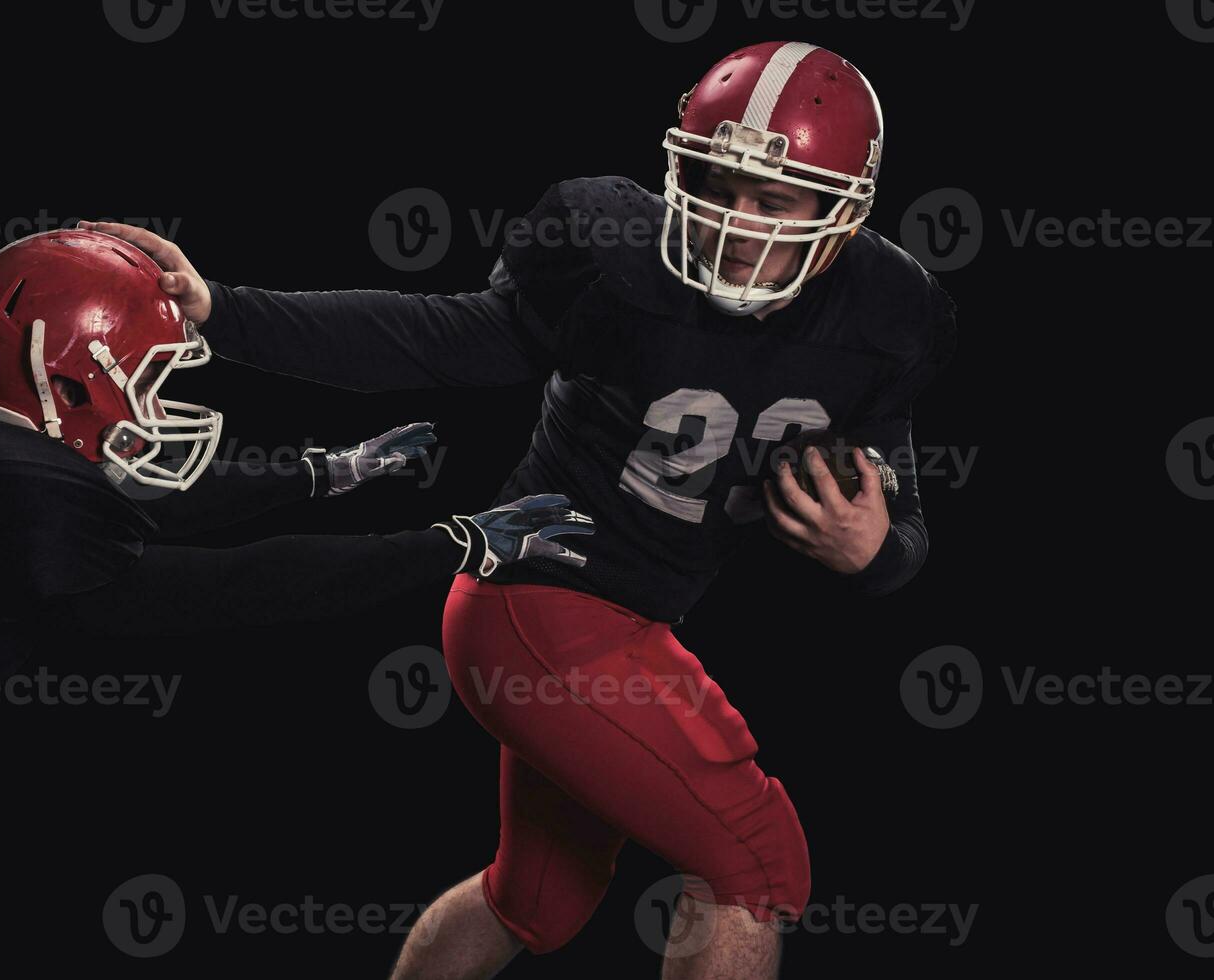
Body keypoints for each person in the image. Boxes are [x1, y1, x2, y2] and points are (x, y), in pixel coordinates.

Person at [86, 39, 957, 980]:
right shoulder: (612, 256)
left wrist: (875, 552)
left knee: (536, 899)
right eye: (714, 181)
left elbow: (897, 513)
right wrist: (227, 310)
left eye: (772, 201)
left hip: (623, 624)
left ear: (842, 213)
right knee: (757, 861)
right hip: (539, 601)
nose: (732, 222)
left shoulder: (889, 312)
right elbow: (427, 340)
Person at [0, 229, 592, 887]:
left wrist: (325, 474)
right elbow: (233, 587)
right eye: (147, 380)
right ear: (66, 382)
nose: (158, 406)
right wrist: (447, 543)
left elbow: (139, 496)